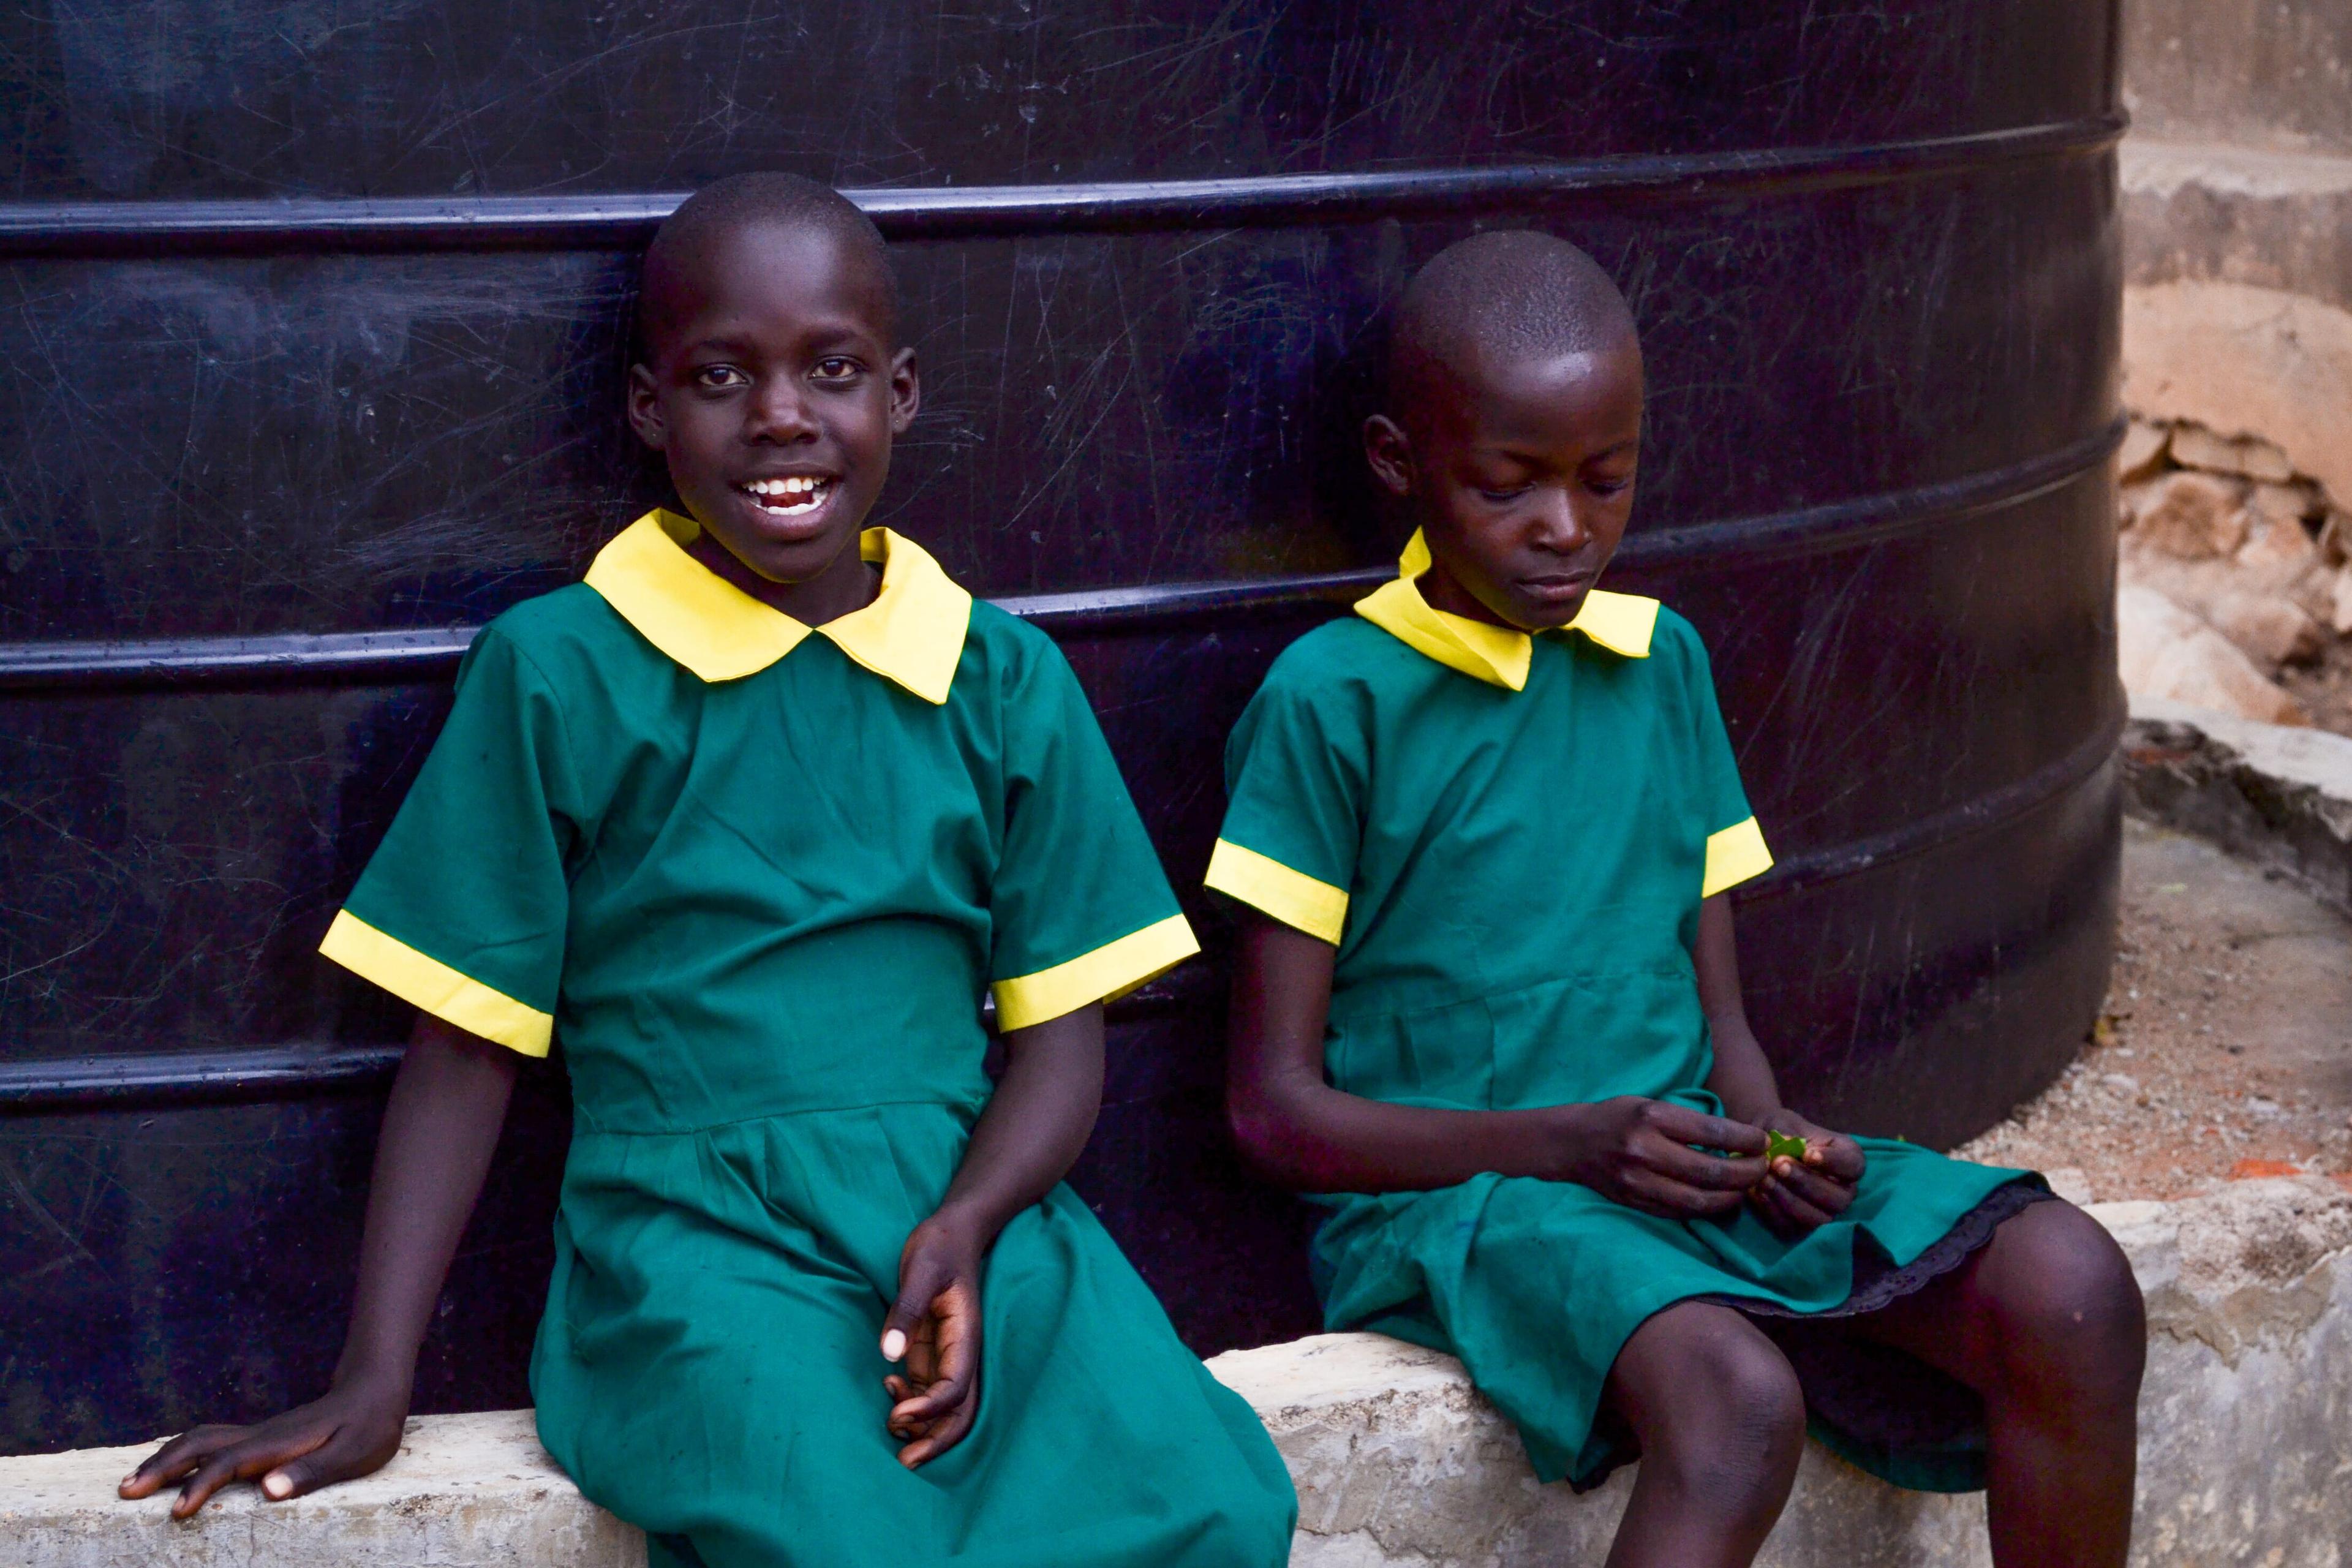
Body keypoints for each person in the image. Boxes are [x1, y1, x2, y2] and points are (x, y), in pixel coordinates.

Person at [122, 172, 1297, 1568]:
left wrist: (973, 1224)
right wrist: (381, 1372)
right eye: (721, 374)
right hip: (692, 1242)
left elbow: (1059, 1044)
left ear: (903, 394)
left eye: (834, 370)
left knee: (1210, 1498)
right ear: (646, 409)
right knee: (842, 1533)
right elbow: (465, 1045)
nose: (783, 415)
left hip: (969, 1211)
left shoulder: (1000, 677)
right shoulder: (563, 668)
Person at [1209, 228, 2144, 1568]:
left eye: (1607, 481)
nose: (1566, 529)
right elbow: (1273, 1112)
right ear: (1400, 466)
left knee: (2073, 1286)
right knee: (1737, 1402)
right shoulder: (1332, 701)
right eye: (1509, 486)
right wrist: (1566, 1143)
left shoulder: (1661, 664)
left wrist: (1772, 1140)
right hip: (1466, 1204)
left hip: (1674, 1173)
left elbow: (1724, 1029)